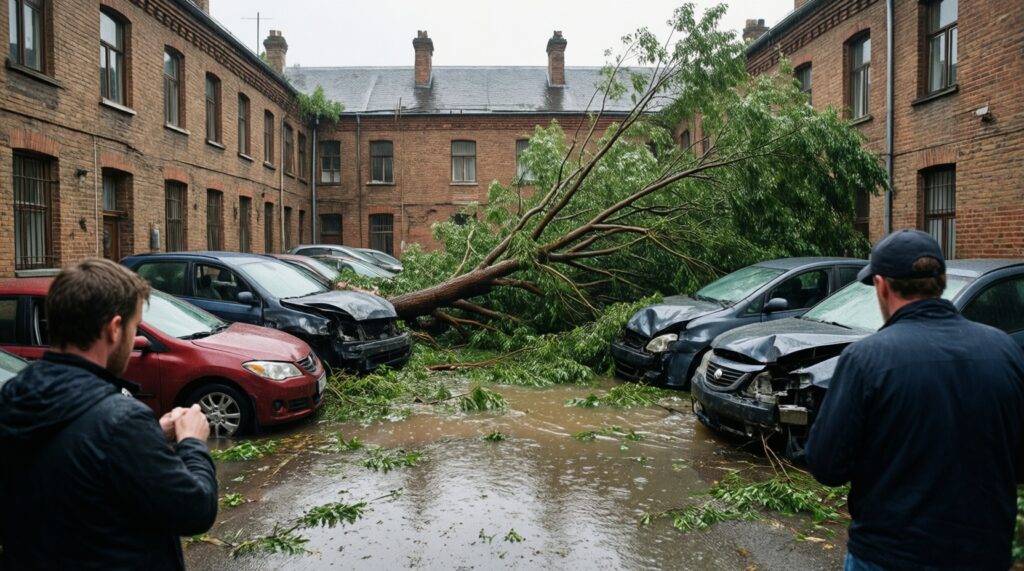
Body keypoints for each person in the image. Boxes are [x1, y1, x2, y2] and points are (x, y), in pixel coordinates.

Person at [805, 230, 1024, 571]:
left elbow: (826, 466)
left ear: (881, 286)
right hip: (983, 554)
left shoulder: (866, 359)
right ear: (942, 282)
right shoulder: (1006, 351)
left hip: (888, 555)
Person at [0, 259, 218, 570]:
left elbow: (70, 466)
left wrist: (151, 437)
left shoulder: (13, 395)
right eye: (132, 328)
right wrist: (192, 443)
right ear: (114, 329)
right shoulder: (121, 421)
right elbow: (195, 510)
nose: (133, 341)